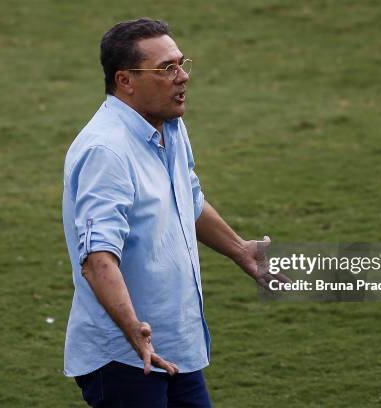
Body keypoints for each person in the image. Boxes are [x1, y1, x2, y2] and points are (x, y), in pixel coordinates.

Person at [61, 18, 287, 408]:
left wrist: (238, 249)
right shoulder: (106, 152)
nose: (182, 77)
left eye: (182, 64)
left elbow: (188, 198)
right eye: (167, 69)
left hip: (173, 347)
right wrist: (133, 330)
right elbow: (97, 259)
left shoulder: (167, 125)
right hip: (126, 357)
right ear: (125, 80)